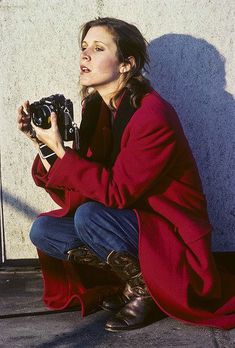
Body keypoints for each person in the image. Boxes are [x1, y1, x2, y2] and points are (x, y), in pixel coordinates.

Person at [17, 17, 235, 331]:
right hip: (133, 225)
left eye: (98, 48)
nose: (85, 55)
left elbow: (116, 192)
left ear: (125, 64)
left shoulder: (152, 115)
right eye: (83, 47)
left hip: (170, 239)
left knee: (89, 216)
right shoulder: (97, 108)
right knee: (44, 231)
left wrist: (64, 153)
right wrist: (43, 143)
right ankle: (132, 282)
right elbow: (79, 184)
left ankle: (147, 289)